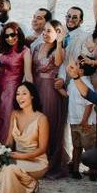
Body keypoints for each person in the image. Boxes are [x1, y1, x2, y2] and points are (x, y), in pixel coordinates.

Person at [0, 82, 49, 193]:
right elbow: (9, 141)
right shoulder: (14, 114)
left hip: (37, 161)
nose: (20, 97)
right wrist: (2, 152)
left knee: (9, 169)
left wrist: (20, 157)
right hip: (17, 158)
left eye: (24, 93)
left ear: (32, 96)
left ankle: (31, 184)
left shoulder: (41, 119)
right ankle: (25, 182)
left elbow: (42, 149)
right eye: (18, 94)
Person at [32, 20, 67, 177]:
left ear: (57, 33)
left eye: (49, 31)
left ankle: (53, 164)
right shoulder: (38, 47)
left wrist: (59, 43)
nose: (45, 33)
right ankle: (38, 160)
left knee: (50, 123)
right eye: (45, 30)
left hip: (50, 89)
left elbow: (59, 62)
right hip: (36, 86)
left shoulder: (58, 49)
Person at [0, 21, 32, 145]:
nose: (10, 38)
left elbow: (28, 74)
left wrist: (30, 96)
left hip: (12, 89)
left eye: (13, 34)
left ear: (19, 33)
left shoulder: (25, 51)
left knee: (7, 117)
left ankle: (6, 148)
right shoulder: (4, 49)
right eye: (7, 36)